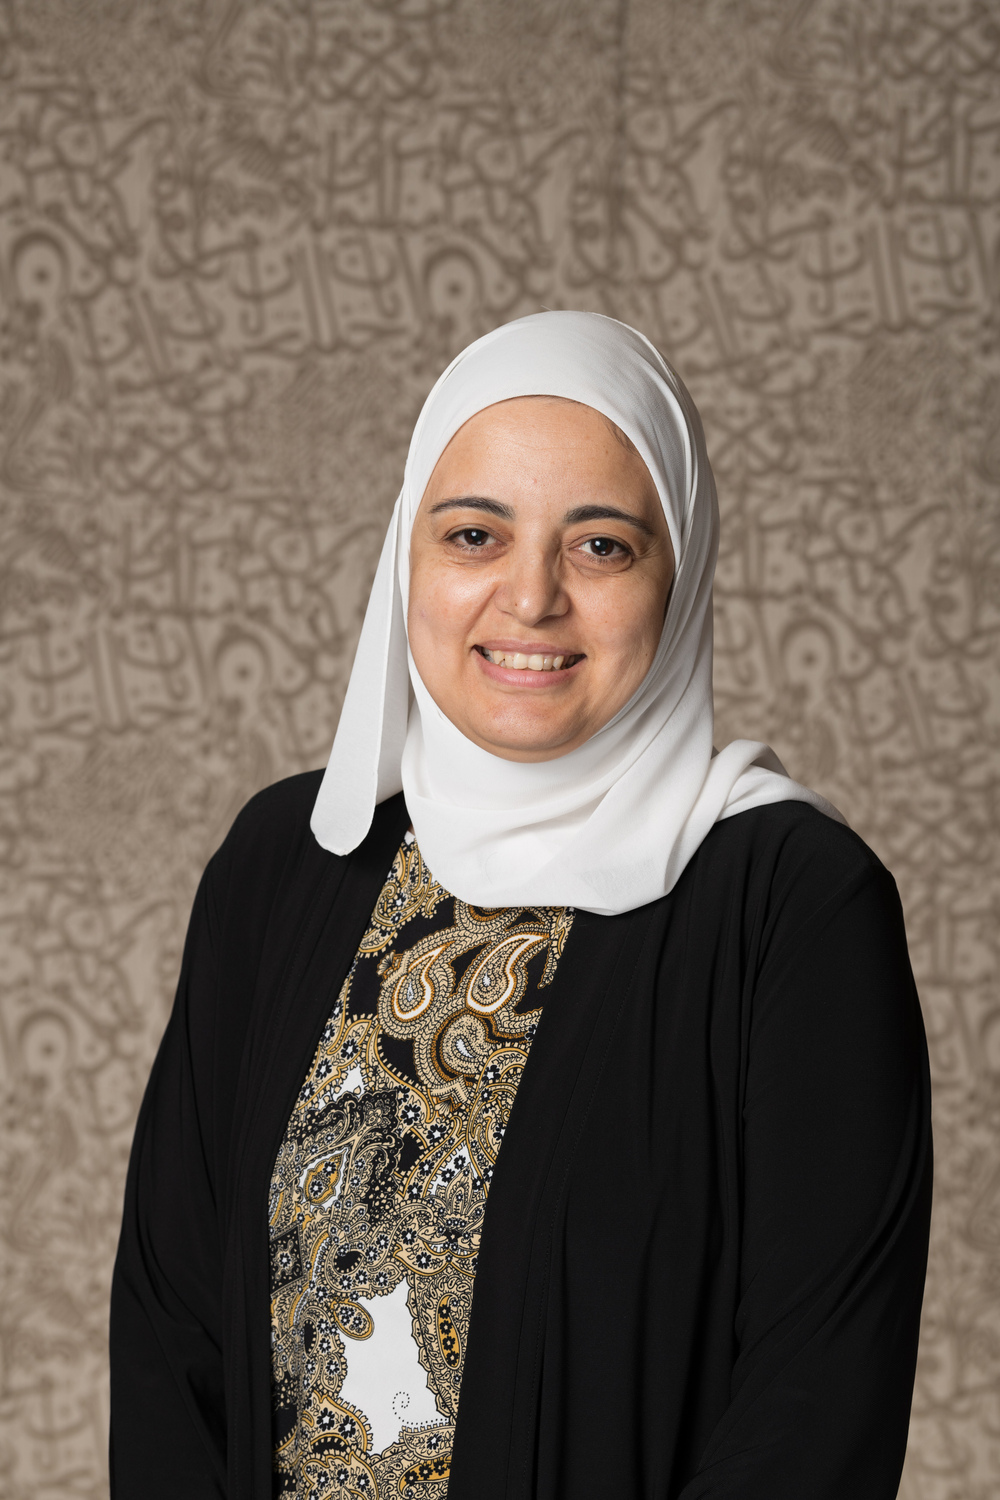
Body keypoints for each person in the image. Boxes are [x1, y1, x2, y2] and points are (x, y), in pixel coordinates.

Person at [109, 312, 931, 1500]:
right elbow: (170, 1326)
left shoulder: (792, 909)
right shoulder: (288, 863)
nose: (530, 597)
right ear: (410, 554)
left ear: (680, 572)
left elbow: (815, 1404)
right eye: (474, 534)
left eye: (600, 546)